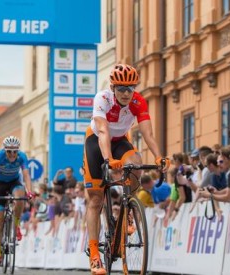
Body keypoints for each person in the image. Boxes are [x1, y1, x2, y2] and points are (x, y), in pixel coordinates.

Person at [82, 64, 170, 275]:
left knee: (136, 164)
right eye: (121, 88)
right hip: (96, 142)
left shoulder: (138, 102)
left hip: (121, 140)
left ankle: (128, 208)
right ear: (113, 87)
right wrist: (108, 159)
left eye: (130, 88)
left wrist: (159, 156)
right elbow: (103, 131)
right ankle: (95, 254)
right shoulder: (102, 99)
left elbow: (148, 134)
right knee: (95, 199)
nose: (125, 93)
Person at [0, 136, 33, 266]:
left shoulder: (22, 156)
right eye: (9, 151)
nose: (12, 154)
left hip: (14, 182)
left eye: (15, 151)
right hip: (0, 184)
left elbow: (26, 175)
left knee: (20, 197)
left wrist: (29, 191)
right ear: (5, 150)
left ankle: (17, 225)